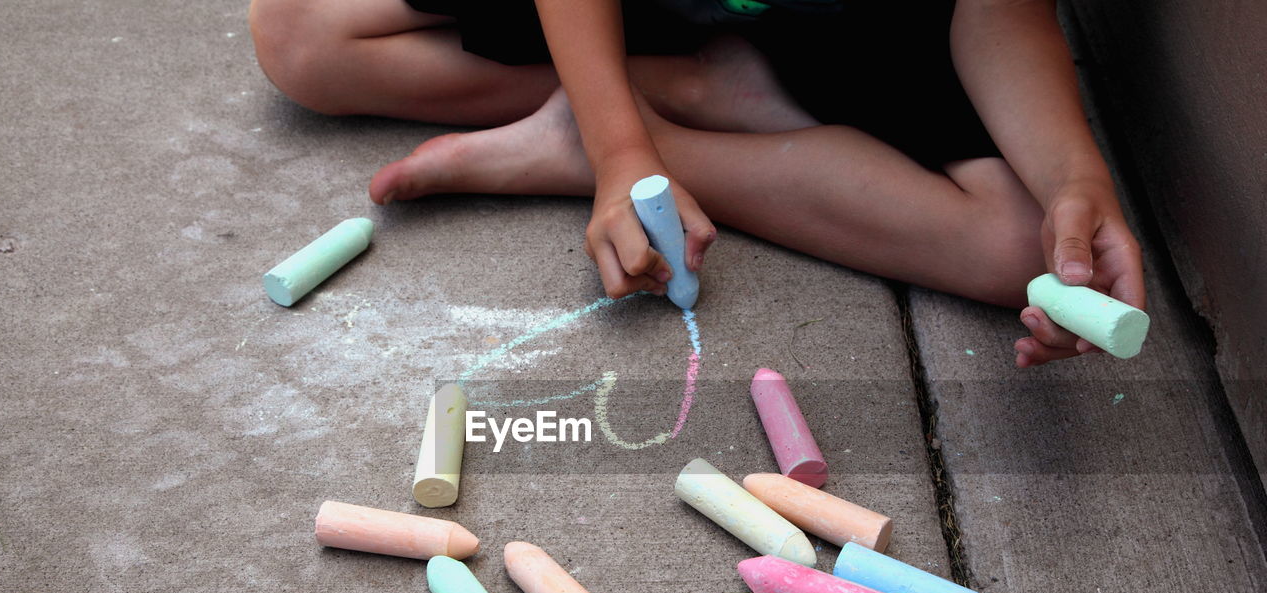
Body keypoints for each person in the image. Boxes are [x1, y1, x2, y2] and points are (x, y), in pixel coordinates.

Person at [248, 0, 1145, 368]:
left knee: (1016, 251)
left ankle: (617, 133)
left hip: (853, 20)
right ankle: (671, 94)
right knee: (300, 33)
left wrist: (1074, 173)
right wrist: (620, 149)